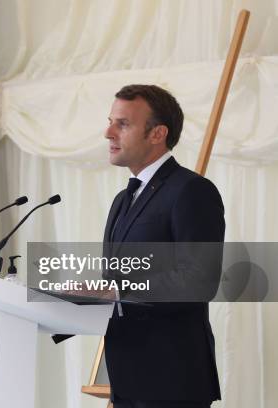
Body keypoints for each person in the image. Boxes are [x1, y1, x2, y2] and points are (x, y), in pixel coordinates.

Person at [102, 84, 225, 408]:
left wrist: (117, 292)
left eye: (122, 124)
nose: (108, 132)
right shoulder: (122, 199)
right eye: (111, 121)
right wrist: (69, 302)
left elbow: (199, 279)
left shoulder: (192, 191)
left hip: (172, 383)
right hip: (126, 380)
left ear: (157, 134)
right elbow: (114, 283)